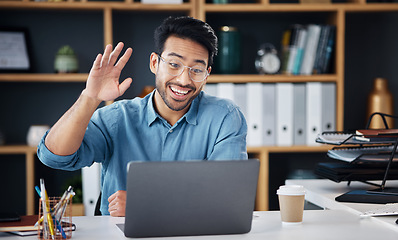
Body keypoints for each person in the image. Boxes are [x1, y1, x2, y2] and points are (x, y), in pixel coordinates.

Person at [37, 16, 247, 216]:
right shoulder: (117, 118)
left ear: (207, 74)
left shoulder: (225, 118)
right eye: (174, 64)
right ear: (155, 63)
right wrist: (90, 97)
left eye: (197, 69)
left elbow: (226, 196)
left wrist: (144, 204)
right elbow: (54, 157)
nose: (184, 80)